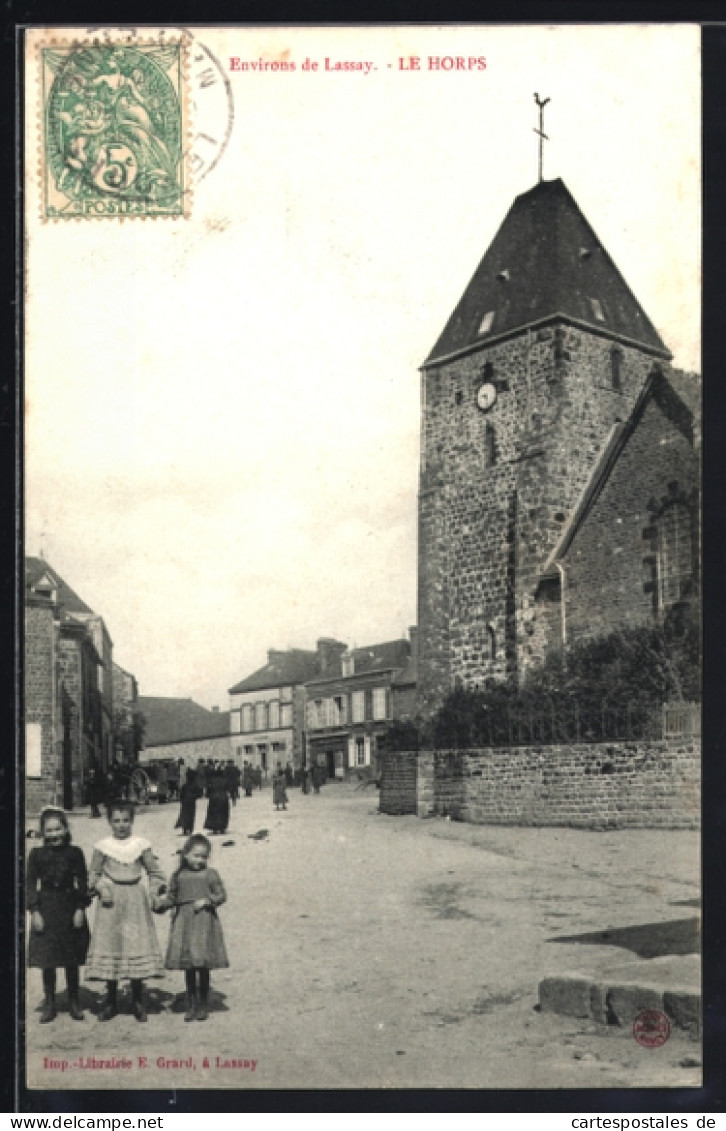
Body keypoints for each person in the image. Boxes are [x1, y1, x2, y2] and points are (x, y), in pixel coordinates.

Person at [85, 800, 166, 1022]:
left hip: (134, 901)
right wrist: (100, 887)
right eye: (117, 821)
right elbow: (92, 874)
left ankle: (137, 1000)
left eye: (126, 821)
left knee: (134, 944)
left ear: (132, 821)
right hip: (110, 903)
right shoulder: (103, 846)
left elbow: (155, 872)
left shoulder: (141, 844)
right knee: (112, 945)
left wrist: (155, 892)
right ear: (110, 822)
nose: (121, 825)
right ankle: (111, 1001)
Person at [27, 808, 90, 1023]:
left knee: (71, 957)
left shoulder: (75, 853)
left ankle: (74, 1001)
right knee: (48, 959)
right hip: (46, 909)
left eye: (58, 829)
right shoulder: (36, 855)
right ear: (42, 833)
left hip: (69, 908)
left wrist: (80, 908)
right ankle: (50, 1003)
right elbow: (29, 885)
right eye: (49, 831)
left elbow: (82, 882)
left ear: (65, 829)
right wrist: (35, 911)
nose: (54, 835)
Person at [161, 834, 229, 1022]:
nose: (200, 860)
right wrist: (161, 904)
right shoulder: (178, 876)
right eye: (196, 855)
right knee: (189, 965)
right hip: (184, 923)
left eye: (204, 857)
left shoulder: (210, 874)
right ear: (185, 855)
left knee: (202, 965)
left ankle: (203, 1004)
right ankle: (191, 1004)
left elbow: (221, 895)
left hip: (204, 923)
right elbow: (172, 897)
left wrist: (208, 901)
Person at [203, 767, 230, 835]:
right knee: (223, 813)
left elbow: (208, 790)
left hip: (214, 797)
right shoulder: (225, 780)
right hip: (223, 797)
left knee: (213, 813)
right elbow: (228, 788)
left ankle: (214, 828)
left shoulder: (212, 780)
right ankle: (222, 828)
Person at [174, 770, 202, 836]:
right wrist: (194, 796)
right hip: (192, 802)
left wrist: (182, 800)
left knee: (185, 815)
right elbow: (199, 794)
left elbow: (181, 795)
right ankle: (190, 829)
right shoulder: (195, 786)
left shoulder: (184, 786)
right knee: (191, 815)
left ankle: (185, 829)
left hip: (185, 802)